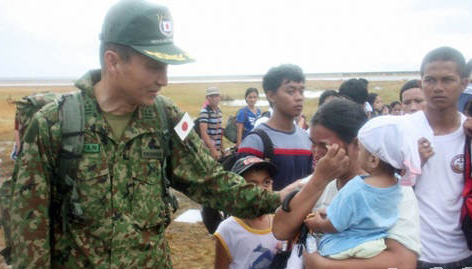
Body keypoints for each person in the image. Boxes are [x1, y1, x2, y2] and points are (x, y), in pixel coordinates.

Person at [9, 1, 290, 268]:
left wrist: (278, 198)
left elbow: (210, 182)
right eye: (154, 66)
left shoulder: (165, 118)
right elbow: (29, 227)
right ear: (113, 61)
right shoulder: (55, 124)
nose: (164, 79)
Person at [273, 98, 421, 269]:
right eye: (312, 143)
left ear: (357, 144)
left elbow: (403, 262)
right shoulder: (317, 182)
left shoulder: (395, 190)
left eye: (325, 146)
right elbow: (281, 230)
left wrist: (323, 265)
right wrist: (318, 181)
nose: (315, 153)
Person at [304, 114, 421, 260]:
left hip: (347, 248)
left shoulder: (358, 187)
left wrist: (318, 224)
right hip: (376, 247)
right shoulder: (397, 186)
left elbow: (335, 224)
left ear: (373, 160)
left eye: (360, 149)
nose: (356, 152)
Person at [411, 46, 472, 268]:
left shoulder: (469, 133)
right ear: (421, 83)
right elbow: (383, 187)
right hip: (416, 254)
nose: (438, 88)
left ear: (464, 83)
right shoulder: (404, 131)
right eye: (430, 80)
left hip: (465, 251)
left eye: (447, 80)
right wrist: (412, 165)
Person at [238, 64, 313, 191]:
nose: (299, 97)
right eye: (290, 91)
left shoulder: (307, 138)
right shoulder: (255, 142)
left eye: (301, 91)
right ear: (271, 95)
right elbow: (243, 194)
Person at [214, 156, 284, 269]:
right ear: (237, 190)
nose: (261, 190)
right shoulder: (228, 229)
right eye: (252, 185)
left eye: (267, 182)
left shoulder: (282, 222)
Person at [199, 86, 224, 160]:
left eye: (216, 96)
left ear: (219, 97)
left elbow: (220, 130)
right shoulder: (204, 112)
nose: (213, 98)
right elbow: (203, 133)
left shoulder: (219, 111)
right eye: (211, 96)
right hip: (208, 149)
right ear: (207, 98)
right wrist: (212, 150)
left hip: (217, 149)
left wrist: (222, 147)